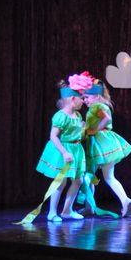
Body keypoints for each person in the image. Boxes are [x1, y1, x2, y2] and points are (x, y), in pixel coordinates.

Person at [36, 75, 88, 222]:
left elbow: (76, 133)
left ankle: (67, 210)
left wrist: (83, 129)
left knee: (78, 180)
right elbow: (53, 136)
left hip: (76, 149)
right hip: (63, 150)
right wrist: (64, 152)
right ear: (73, 99)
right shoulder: (61, 116)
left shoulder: (77, 115)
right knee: (61, 181)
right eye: (81, 98)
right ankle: (52, 212)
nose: (83, 101)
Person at [81, 76, 131, 217]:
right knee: (109, 177)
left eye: (87, 97)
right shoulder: (102, 105)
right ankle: (125, 200)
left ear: (96, 96)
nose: (85, 100)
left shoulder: (97, 106)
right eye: (84, 98)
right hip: (106, 142)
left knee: (89, 175)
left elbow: (107, 118)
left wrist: (94, 129)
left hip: (99, 143)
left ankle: (89, 206)